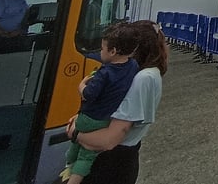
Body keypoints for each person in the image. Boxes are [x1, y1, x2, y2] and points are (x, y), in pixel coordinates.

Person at [68, 20, 167, 184]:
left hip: (112, 162)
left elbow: (110, 139)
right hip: (121, 158)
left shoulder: (143, 78)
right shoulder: (142, 72)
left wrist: (76, 134)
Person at [61, 23, 141, 184]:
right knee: (87, 156)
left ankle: (70, 173)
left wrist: (82, 85)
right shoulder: (133, 66)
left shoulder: (105, 72)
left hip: (89, 117)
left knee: (81, 152)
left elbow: (89, 95)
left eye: (102, 49)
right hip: (106, 120)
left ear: (113, 51)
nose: (100, 52)